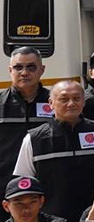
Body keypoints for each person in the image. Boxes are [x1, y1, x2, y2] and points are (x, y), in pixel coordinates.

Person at [13, 80, 94, 221]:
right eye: (64, 99)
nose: (71, 104)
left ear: (84, 102)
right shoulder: (34, 139)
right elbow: (24, 183)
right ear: (51, 103)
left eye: (76, 99)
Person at [0, 47, 53, 186]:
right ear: (10, 70)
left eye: (31, 67)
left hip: (46, 185)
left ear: (42, 70)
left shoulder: (56, 103)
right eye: (18, 68)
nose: (24, 73)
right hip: (5, 185)